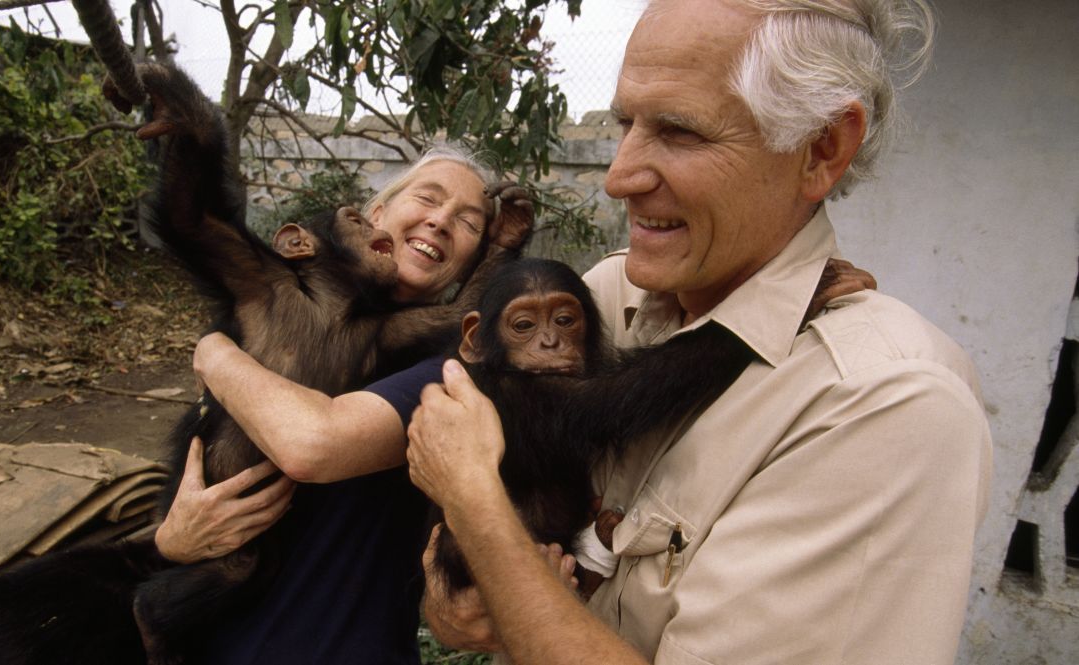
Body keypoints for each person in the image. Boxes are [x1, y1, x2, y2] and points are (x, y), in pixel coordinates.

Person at [405, 1, 993, 664]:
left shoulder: (885, 404)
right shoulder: (606, 294)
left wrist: (476, 508)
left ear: (822, 147)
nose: (617, 176)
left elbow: (490, 491)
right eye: (627, 122)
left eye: (681, 131)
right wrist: (457, 599)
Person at [152, 144, 533, 665]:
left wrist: (214, 353)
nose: (440, 221)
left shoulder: (447, 370)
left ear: (472, 261)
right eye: (427, 197)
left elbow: (311, 443)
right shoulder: (287, 303)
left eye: (468, 223)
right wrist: (172, 539)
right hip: (220, 637)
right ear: (377, 217)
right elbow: (195, 222)